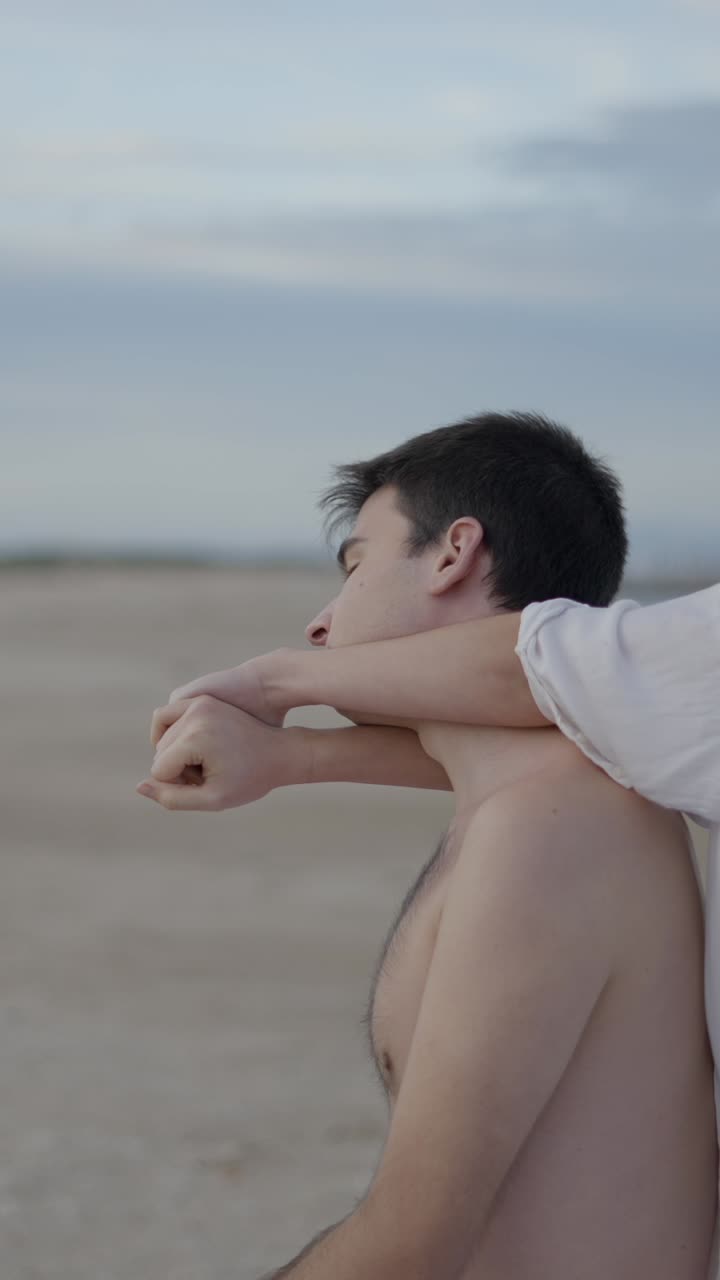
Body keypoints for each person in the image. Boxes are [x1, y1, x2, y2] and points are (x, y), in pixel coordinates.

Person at [139, 411, 718, 1278]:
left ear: (453, 554)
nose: (322, 627)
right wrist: (295, 752)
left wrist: (277, 693)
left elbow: (411, 1247)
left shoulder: (553, 826)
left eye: (357, 564)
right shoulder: (548, 802)